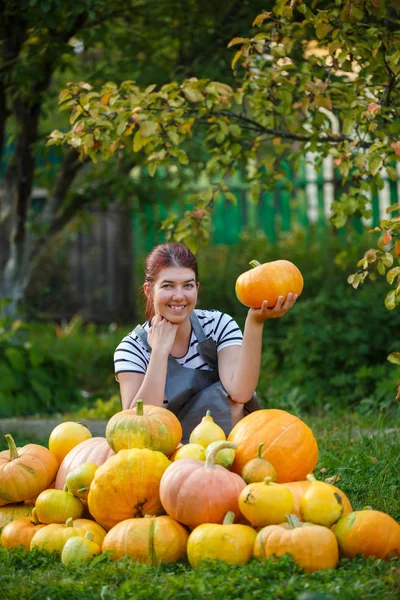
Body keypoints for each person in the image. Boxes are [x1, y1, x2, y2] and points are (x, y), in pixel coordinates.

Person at [114, 242, 298, 442]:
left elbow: (241, 393)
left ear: (197, 288)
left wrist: (255, 322)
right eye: (168, 286)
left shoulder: (218, 325)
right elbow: (136, 426)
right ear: (149, 290)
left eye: (188, 285)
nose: (179, 296)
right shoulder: (131, 348)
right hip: (163, 453)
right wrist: (158, 352)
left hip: (221, 448)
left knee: (233, 401)